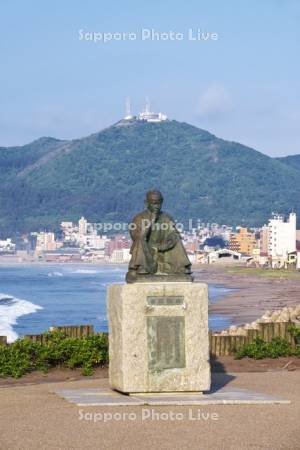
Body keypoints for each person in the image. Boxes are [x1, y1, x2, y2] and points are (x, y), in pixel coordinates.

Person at [126, 190, 192, 283]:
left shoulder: (166, 217)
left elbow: (174, 233)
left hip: (163, 250)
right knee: (140, 240)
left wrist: (167, 244)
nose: (157, 206)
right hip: (145, 249)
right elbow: (137, 237)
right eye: (154, 203)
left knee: (176, 239)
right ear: (147, 203)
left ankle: (181, 267)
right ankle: (140, 268)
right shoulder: (139, 218)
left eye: (159, 203)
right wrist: (150, 222)